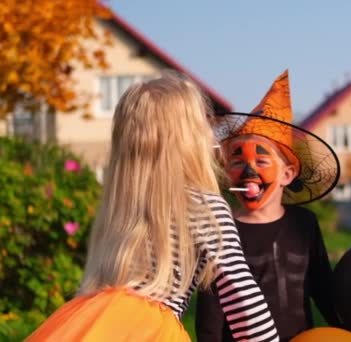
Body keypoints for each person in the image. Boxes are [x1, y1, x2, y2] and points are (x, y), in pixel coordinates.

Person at [26, 70, 279, 342]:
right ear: (188, 140)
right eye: (204, 124)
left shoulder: (122, 210)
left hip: (93, 321)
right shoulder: (203, 206)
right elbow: (242, 297)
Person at [195, 70, 341, 341]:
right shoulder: (221, 230)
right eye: (237, 162)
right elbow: (210, 314)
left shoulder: (304, 224)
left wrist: (350, 327)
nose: (248, 171)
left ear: (288, 174)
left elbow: (323, 288)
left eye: (261, 162)